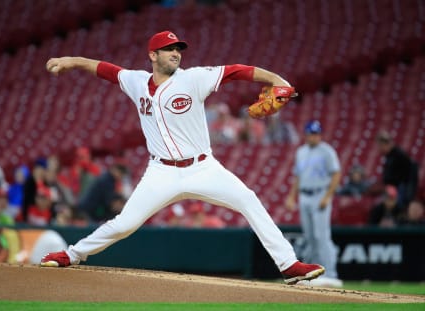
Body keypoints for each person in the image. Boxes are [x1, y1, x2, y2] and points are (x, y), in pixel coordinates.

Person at [40, 30, 325, 285]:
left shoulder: (194, 78)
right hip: (161, 172)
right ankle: (71, 254)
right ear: (153, 55)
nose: (176, 53)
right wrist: (73, 60)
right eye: (169, 49)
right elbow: (106, 70)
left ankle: (289, 265)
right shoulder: (136, 81)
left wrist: (276, 79)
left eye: (178, 49)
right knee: (124, 224)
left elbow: (237, 71)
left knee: (248, 199)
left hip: (202, 167)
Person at [285, 120, 343, 288]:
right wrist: (291, 196)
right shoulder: (301, 152)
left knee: (321, 236)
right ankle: (313, 272)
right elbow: (298, 177)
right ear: (306, 134)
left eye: (316, 134)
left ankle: (331, 273)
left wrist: (328, 196)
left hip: (320, 194)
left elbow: (336, 174)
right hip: (304, 195)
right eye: (311, 133)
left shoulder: (327, 151)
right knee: (310, 237)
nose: (314, 137)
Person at [376, 130, 419, 209]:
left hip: (401, 187)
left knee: (400, 206)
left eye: (381, 145)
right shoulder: (389, 156)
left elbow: (408, 173)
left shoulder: (399, 154)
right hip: (393, 187)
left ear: (386, 144)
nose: (380, 148)